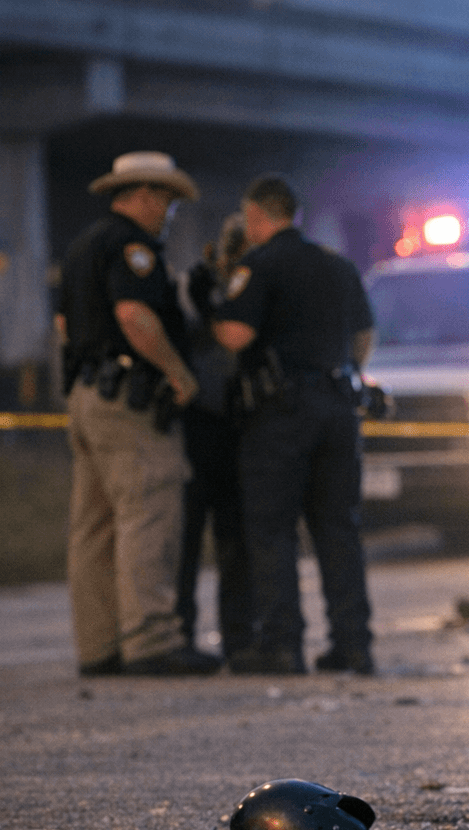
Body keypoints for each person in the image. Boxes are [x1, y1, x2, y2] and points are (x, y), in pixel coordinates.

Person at [56, 151, 221, 676]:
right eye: (166, 200)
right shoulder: (134, 248)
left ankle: (99, 646)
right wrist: (178, 372)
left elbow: (64, 325)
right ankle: (151, 639)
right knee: (149, 513)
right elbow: (134, 314)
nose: (169, 211)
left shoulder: (82, 246)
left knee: (94, 526)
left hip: (87, 396)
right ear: (144, 195)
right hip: (130, 401)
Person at [213, 174, 376, 675]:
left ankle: (282, 645)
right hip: (337, 407)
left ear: (256, 216)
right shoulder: (337, 265)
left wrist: (215, 310)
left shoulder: (258, 265)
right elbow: (363, 335)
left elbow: (237, 336)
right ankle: (353, 644)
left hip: (281, 415)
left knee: (272, 531)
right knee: (338, 530)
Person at [176, 214, 255, 662]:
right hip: (203, 423)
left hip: (226, 425)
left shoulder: (241, 287)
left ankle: (236, 637)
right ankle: (202, 635)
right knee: (197, 539)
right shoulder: (197, 288)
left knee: (231, 540)